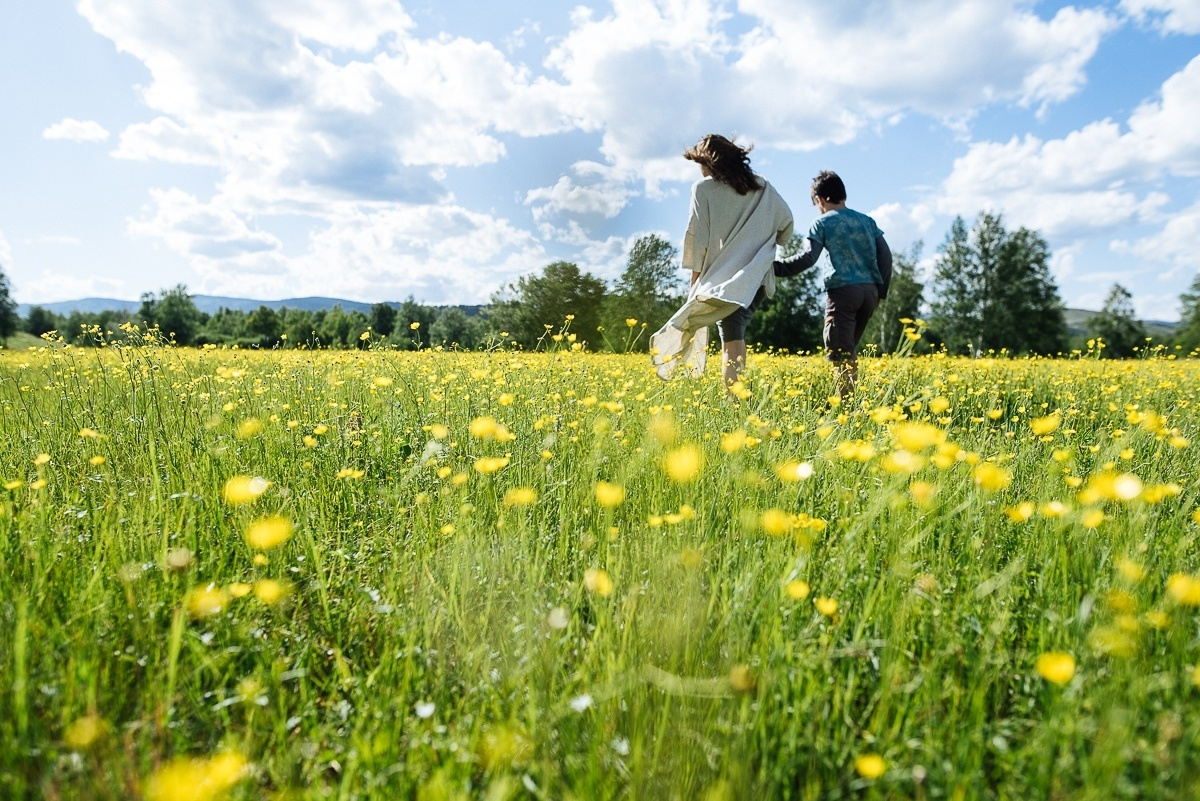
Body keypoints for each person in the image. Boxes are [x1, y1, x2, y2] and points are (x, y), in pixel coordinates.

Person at [650, 135, 793, 390]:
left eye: (700, 163)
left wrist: (694, 285)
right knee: (734, 328)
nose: (701, 170)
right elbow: (786, 226)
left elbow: (698, 239)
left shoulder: (703, 189)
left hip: (724, 282)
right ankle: (735, 396)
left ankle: (734, 400)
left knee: (729, 330)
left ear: (709, 163)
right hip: (756, 278)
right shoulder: (762, 187)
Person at [774, 170, 892, 400]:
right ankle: (850, 400)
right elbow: (886, 257)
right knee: (849, 349)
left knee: (840, 352)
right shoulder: (867, 221)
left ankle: (846, 408)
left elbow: (808, 258)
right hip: (869, 292)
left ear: (819, 199)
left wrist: (773, 268)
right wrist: (881, 293)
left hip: (844, 292)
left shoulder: (822, 222)